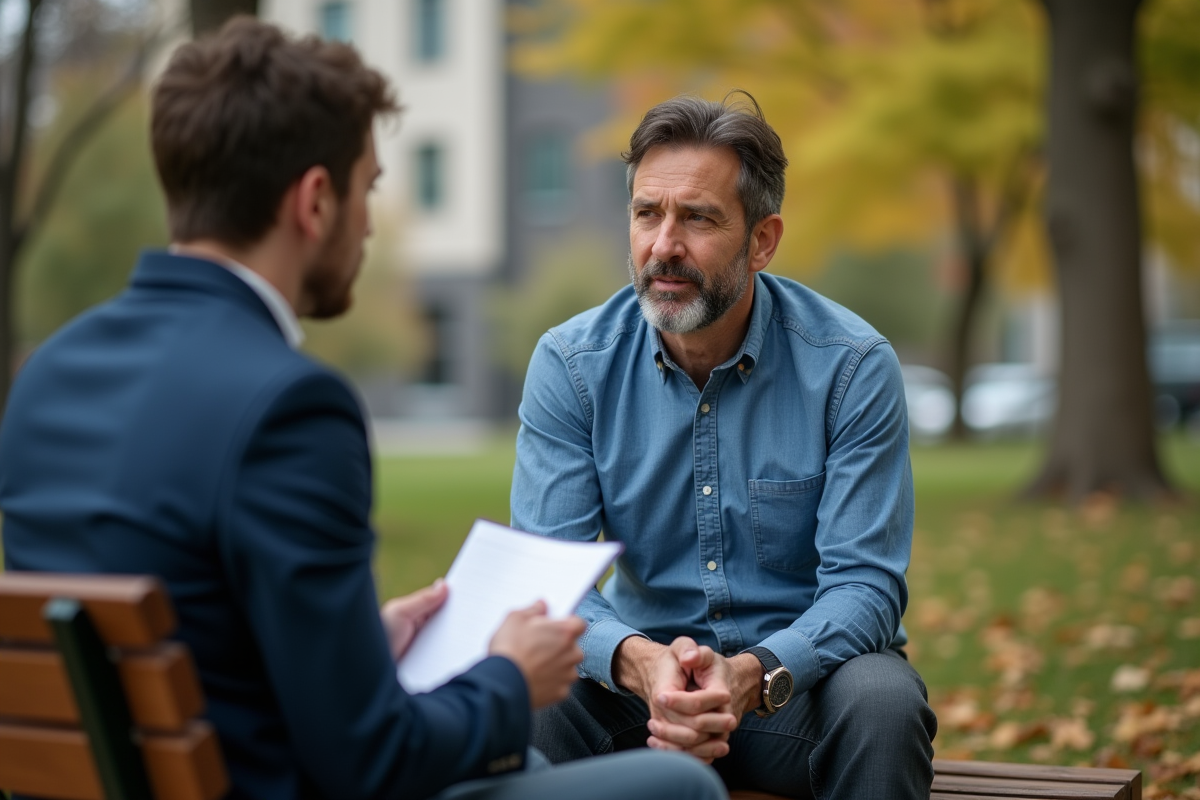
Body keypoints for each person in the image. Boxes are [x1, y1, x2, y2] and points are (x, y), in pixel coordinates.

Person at [0, 19, 726, 800]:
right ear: (316, 201)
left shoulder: (47, 378)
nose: (371, 223)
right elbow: (372, 760)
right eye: (369, 187)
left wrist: (364, 648)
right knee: (674, 789)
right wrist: (507, 679)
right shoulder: (288, 407)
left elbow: (193, 639)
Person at [511, 92, 938, 799]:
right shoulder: (572, 365)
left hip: (798, 693)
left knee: (884, 702)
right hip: (640, 697)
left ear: (762, 240)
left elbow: (866, 586)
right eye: (647, 214)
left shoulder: (851, 366)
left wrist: (751, 674)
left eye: (699, 218)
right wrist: (640, 662)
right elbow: (550, 581)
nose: (663, 246)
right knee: (530, 699)